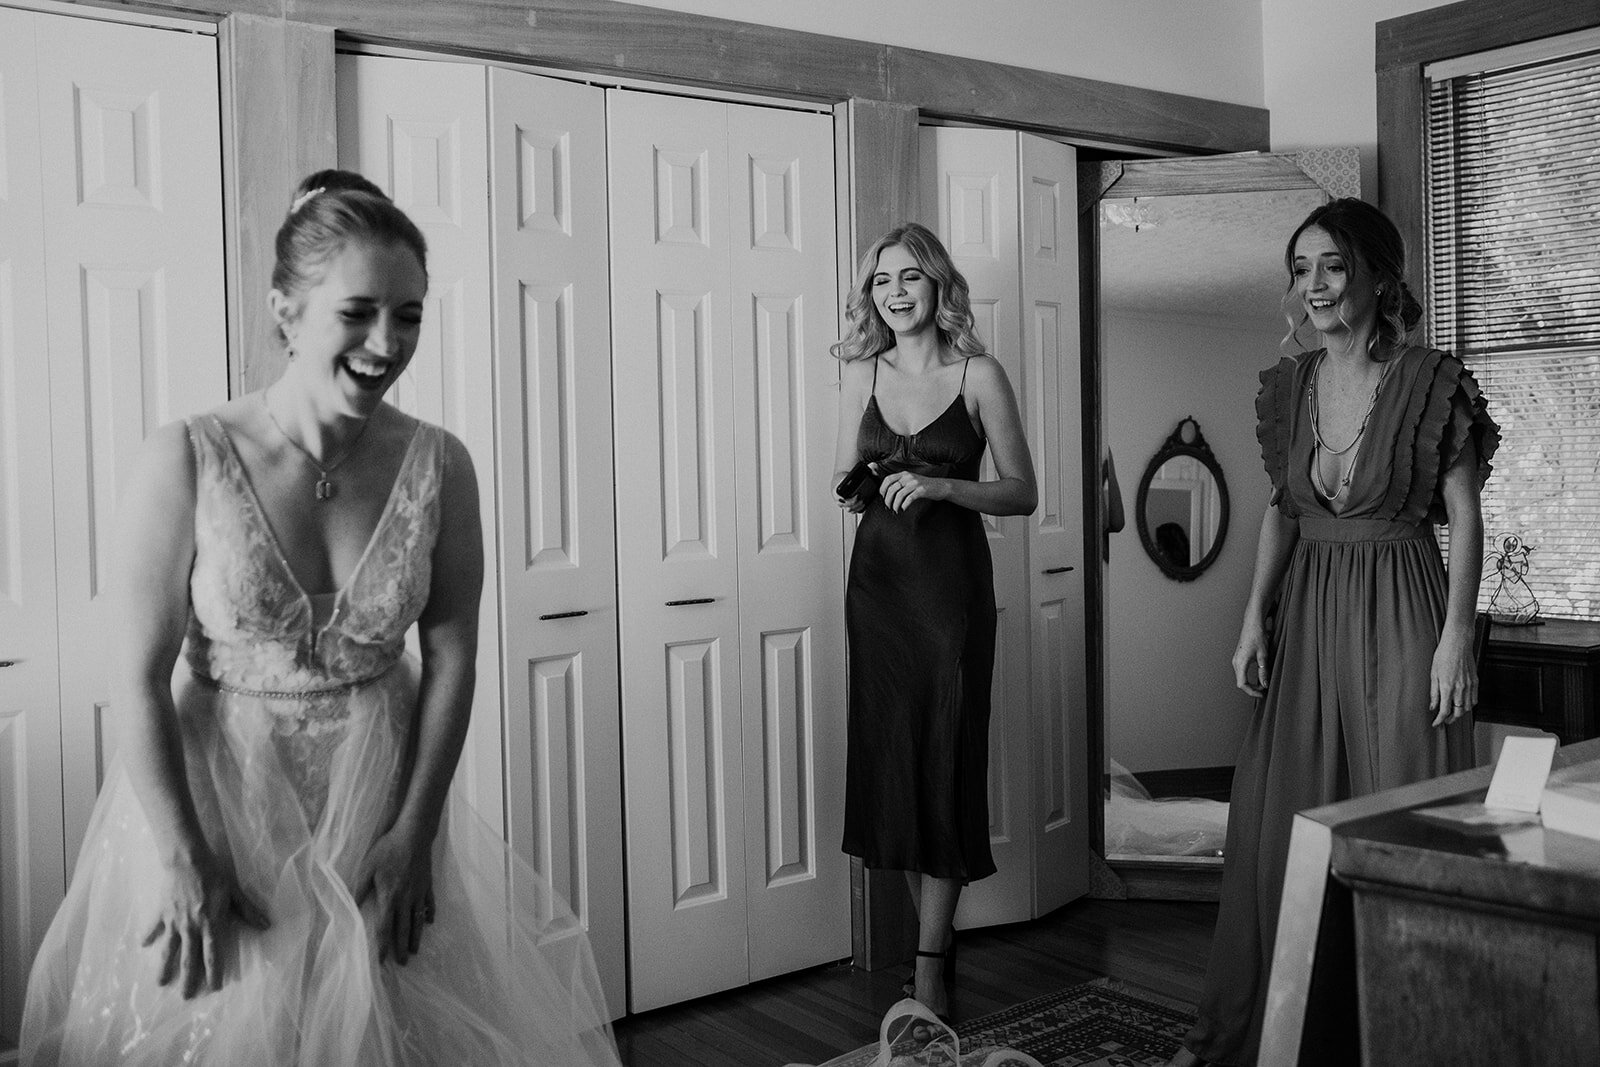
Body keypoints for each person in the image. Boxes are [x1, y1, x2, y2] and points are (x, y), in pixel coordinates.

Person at [21, 171, 621, 1067]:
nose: (388, 342)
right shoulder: (186, 456)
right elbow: (137, 676)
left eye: (411, 314)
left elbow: (453, 654)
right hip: (222, 800)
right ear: (287, 312)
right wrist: (184, 855)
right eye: (359, 310)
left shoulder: (440, 465)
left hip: (381, 796)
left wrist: (417, 830)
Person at [1169, 198, 1499, 1067]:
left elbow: (1464, 519)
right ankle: (1288, 1034)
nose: (1313, 285)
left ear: (1380, 277)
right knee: (1286, 817)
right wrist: (1252, 621)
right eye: (1301, 268)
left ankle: (1412, 1034)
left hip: (1403, 602)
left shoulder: (1433, 380)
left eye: (1333, 266)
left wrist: (1456, 635)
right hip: (1309, 607)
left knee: (1404, 815)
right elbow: (1283, 511)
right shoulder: (1292, 386)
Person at [833, 222, 1037, 1021]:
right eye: (883, 281)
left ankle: (926, 968)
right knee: (895, 760)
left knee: (945, 754)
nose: (896, 292)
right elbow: (843, 483)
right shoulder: (861, 374)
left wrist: (946, 486)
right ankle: (935, 947)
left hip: (950, 590)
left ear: (937, 284)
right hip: (878, 586)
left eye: (910, 277)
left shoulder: (979, 374)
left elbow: (1022, 491)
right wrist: (862, 482)